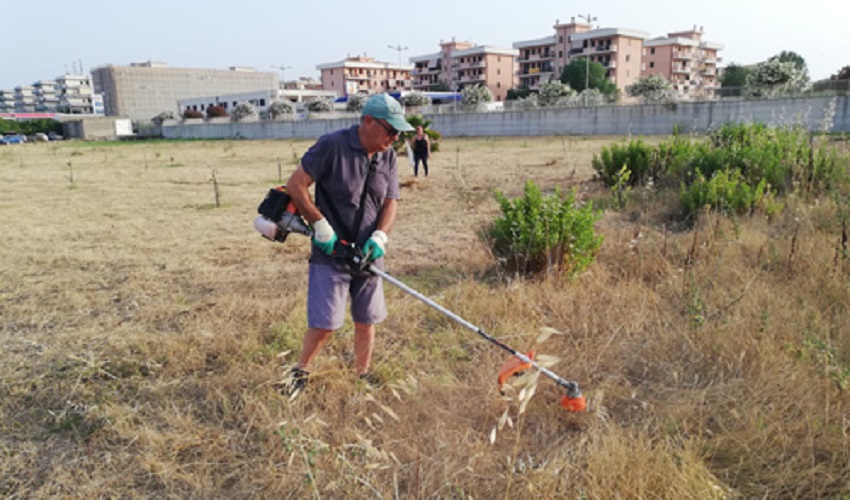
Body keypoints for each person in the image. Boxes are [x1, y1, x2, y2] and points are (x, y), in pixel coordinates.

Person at [283, 94, 414, 397]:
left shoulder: (388, 156)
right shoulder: (332, 145)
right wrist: (319, 225)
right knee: (325, 322)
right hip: (332, 253)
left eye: (398, 133)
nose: (394, 138)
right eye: (390, 130)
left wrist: (380, 236)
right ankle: (299, 373)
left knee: (367, 319)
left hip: (368, 254)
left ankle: (361, 374)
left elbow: (391, 201)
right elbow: (296, 185)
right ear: (367, 121)